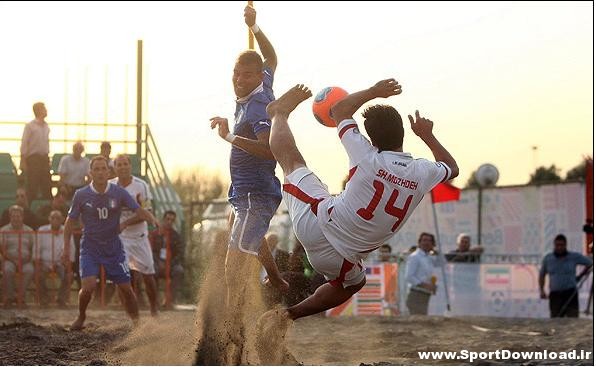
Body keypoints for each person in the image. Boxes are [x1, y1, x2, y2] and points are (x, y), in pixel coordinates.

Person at [262, 78, 458, 324]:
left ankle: (278, 114)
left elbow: (339, 110)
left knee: (292, 163)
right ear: (403, 133)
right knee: (353, 283)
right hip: (339, 259)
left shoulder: (366, 154)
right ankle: (289, 315)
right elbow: (452, 168)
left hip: (317, 224)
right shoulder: (422, 171)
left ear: (372, 140)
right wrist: (427, 136)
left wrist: (374, 92)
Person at [208, 5, 287, 304]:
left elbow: (269, 150)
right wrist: (255, 28)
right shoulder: (262, 81)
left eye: (246, 75)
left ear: (257, 77)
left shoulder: (258, 107)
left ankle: (232, 330)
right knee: (245, 236)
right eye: (236, 72)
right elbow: (273, 58)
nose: (238, 79)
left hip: (256, 193)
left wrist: (229, 136)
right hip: (241, 192)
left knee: (234, 267)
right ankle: (275, 276)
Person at [62, 155, 159, 330]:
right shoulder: (81, 194)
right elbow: (69, 222)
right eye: (96, 169)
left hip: (114, 247)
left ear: (108, 172)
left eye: (103, 168)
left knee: (126, 288)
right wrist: (66, 248)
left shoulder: (119, 192)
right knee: (89, 286)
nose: (100, 172)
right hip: (90, 247)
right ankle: (81, 316)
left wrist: (151, 217)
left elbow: (139, 210)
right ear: (90, 173)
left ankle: (137, 324)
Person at [109, 154, 159, 316]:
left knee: (148, 276)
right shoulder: (110, 186)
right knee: (122, 277)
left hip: (139, 237)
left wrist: (124, 223)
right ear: (114, 168)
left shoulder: (141, 185)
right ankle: (131, 315)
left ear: (130, 166)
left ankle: (153, 310)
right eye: (119, 165)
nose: (123, 167)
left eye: (125, 164)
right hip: (119, 239)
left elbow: (146, 212)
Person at [539, 234, 593, 318]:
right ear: (554, 245)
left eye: (562, 245)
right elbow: (542, 275)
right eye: (557, 245)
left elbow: (590, 263)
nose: (559, 248)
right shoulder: (548, 259)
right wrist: (542, 290)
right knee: (555, 320)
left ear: (565, 245)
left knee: (572, 320)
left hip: (570, 294)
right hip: (555, 295)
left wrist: (581, 275)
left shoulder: (574, 257)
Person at [36, 210, 75, 307]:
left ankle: (61, 300)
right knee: (37, 275)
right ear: (49, 219)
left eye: (58, 218)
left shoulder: (67, 230)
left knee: (69, 276)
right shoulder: (42, 230)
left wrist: (69, 263)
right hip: (44, 262)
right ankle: (44, 300)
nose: (55, 220)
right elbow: (36, 249)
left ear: (62, 219)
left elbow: (72, 249)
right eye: (53, 218)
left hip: (60, 263)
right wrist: (38, 263)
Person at [0, 205, 35, 307]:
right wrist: (13, 260)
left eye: (18, 216)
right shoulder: (3, 230)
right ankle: (9, 298)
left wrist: (27, 259)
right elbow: (2, 249)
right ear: (10, 217)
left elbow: (33, 248)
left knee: (30, 270)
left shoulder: (29, 231)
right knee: (7, 270)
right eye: (13, 216)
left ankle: (21, 298)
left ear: (22, 217)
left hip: (25, 260)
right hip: (9, 259)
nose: (16, 218)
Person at [149, 210, 185, 307]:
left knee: (179, 270)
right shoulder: (155, 234)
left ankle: (170, 301)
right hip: (157, 263)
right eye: (167, 219)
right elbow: (150, 251)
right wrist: (158, 261)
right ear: (163, 219)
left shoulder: (176, 236)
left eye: (172, 220)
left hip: (171, 265)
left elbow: (180, 254)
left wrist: (170, 263)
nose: (169, 222)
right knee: (151, 271)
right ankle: (154, 300)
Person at [20, 102, 52, 200]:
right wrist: (23, 160)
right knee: (32, 186)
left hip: (44, 158)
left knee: (46, 186)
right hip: (34, 159)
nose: (46, 110)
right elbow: (25, 143)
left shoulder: (46, 126)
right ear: (39, 110)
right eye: (44, 108)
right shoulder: (30, 126)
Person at [405, 233, 442, 315]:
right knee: (418, 322)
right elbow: (409, 276)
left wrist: (437, 252)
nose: (427, 243)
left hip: (426, 294)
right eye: (424, 240)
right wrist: (424, 285)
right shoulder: (415, 256)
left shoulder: (429, 257)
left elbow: (442, 264)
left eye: (429, 241)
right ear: (419, 242)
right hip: (416, 294)